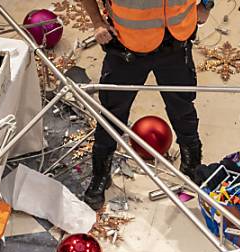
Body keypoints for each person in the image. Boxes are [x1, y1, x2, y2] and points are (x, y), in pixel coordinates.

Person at [79, 0, 212, 210]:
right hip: (127, 47)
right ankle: (101, 173)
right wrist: (98, 22)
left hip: (176, 43)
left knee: (182, 106)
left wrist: (206, 4)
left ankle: (192, 162)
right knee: (112, 112)